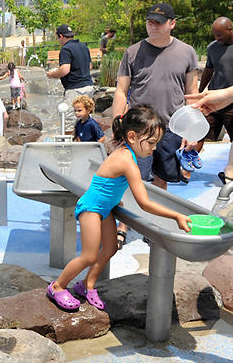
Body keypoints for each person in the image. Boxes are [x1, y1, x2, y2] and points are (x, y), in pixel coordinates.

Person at [46, 105, 190, 311]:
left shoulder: (127, 152)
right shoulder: (126, 160)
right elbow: (144, 202)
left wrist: (114, 199)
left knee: (111, 248)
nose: (154, 148)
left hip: (106, 207)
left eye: (156, 143)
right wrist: (176, 215)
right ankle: (57, 286)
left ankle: (87, 285)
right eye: (151, 142)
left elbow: (111, 183)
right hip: (91, 208)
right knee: (89, 255)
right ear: (132, 136)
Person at [110, 2, 198, 248]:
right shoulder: (133, 52)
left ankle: (156, 225)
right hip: (140, 128)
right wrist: (118, 122)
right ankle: (124, 225)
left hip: (172, 127)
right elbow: (121, 89)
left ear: (172, 24)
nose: (153, 26)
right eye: (150, 21)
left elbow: (192, 93)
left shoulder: (187, 52)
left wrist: (193, 131)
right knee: (131, 177)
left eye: (159, 22)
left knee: (161, 178)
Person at [196, 17, 233, 184]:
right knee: (198, 132)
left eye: (219, 34)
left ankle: (230, 174)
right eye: (214, 34)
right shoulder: (212, 48)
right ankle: (186, 168)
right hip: (213, 98)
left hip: (231, 101)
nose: (216, 38)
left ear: (230, 29)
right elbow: (208, 70)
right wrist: (199, 92)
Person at [46, 24, 94, 130]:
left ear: (61, 36)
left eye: (58, 38)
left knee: (68, 121)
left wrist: (52, 74)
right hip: (89, 87)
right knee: (85, 118)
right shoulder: (83, 46)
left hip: (75, 89)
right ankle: (85, 143)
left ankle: (69, 145)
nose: (58, 41)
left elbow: (64, 70)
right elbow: (90, 66)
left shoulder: (66, 49)